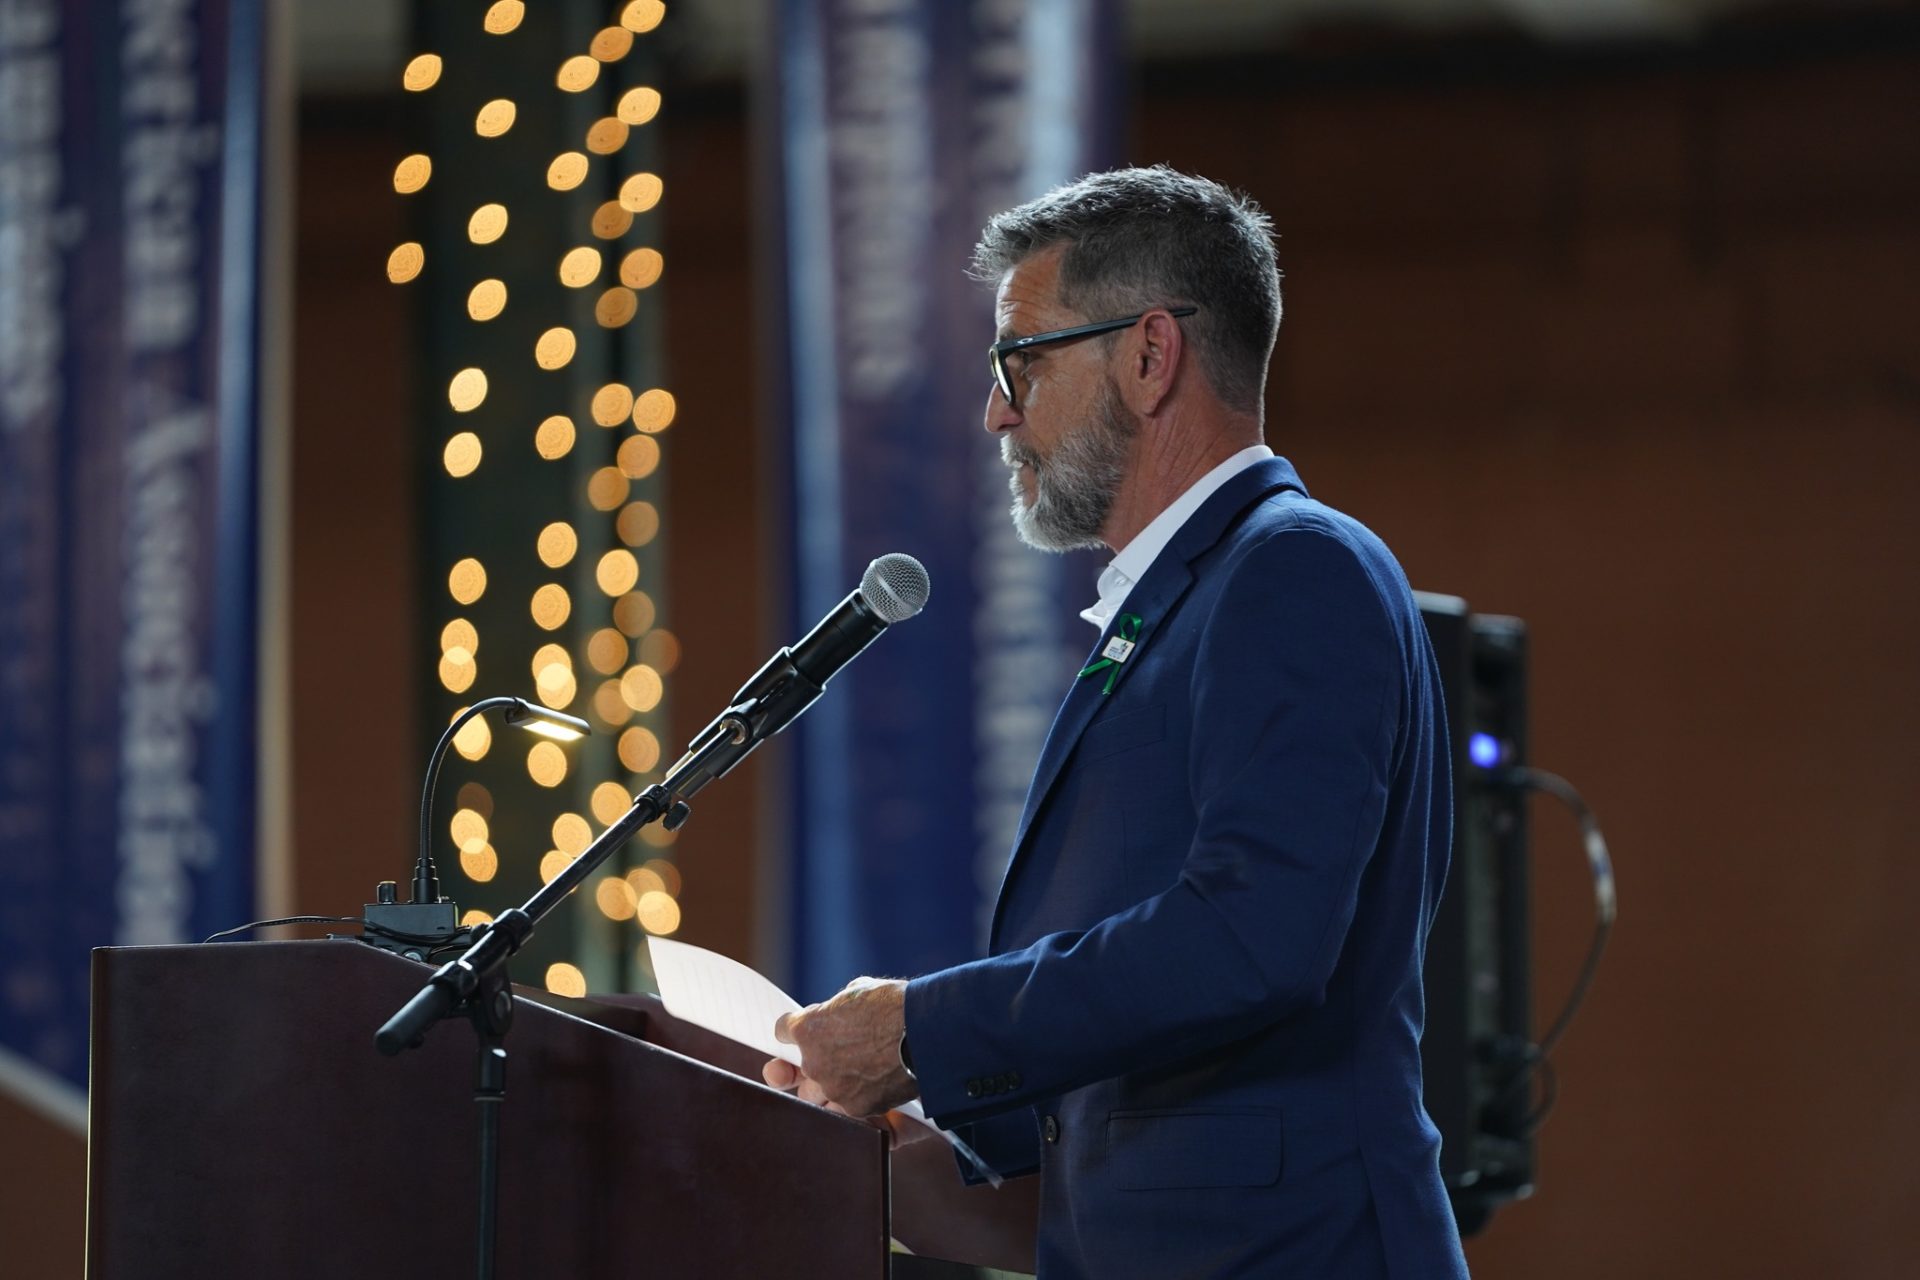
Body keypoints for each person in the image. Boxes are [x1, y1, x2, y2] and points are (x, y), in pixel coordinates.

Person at [763, 166, 1470, 1279]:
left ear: (1149, 357)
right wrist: (920, 1134)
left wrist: (921, 1031)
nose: (998, 410)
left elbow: (1253, 938)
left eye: (1022, 361)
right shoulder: (1189, 599)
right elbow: (1153, 1026)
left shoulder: (1292, 570)